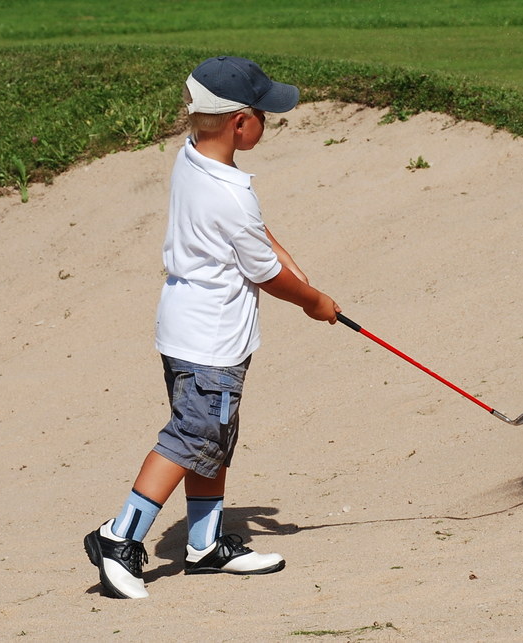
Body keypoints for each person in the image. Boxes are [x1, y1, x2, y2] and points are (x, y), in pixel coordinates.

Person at [84, 56, 339, 599]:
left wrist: (285, 254)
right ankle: (118, 538)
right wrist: (313, 300)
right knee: (191, 436)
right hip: (212, 342)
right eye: (265, 114)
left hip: (185, 330)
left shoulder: (193, 157)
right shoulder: (231, 193)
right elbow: (265, 274)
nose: (268, 123)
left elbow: (254, 237)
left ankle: (202, 545)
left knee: (213, 438)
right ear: (241, 123)